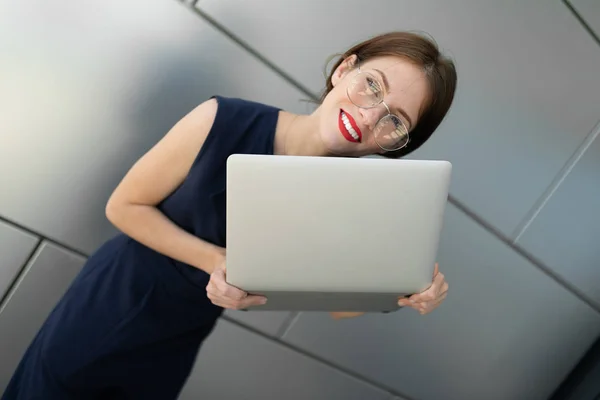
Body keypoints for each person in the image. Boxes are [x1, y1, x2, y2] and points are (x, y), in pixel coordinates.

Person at [3, 31, 457, 399]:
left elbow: (338, 307)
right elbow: (122, 206)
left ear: (398, 144)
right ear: (344, 69)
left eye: (395, 120)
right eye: (371, 85)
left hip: (176, 340)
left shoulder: (348, 200)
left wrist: (402, 290)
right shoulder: (221, 119)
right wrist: (213, 261)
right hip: (110, 303)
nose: (369, 114)